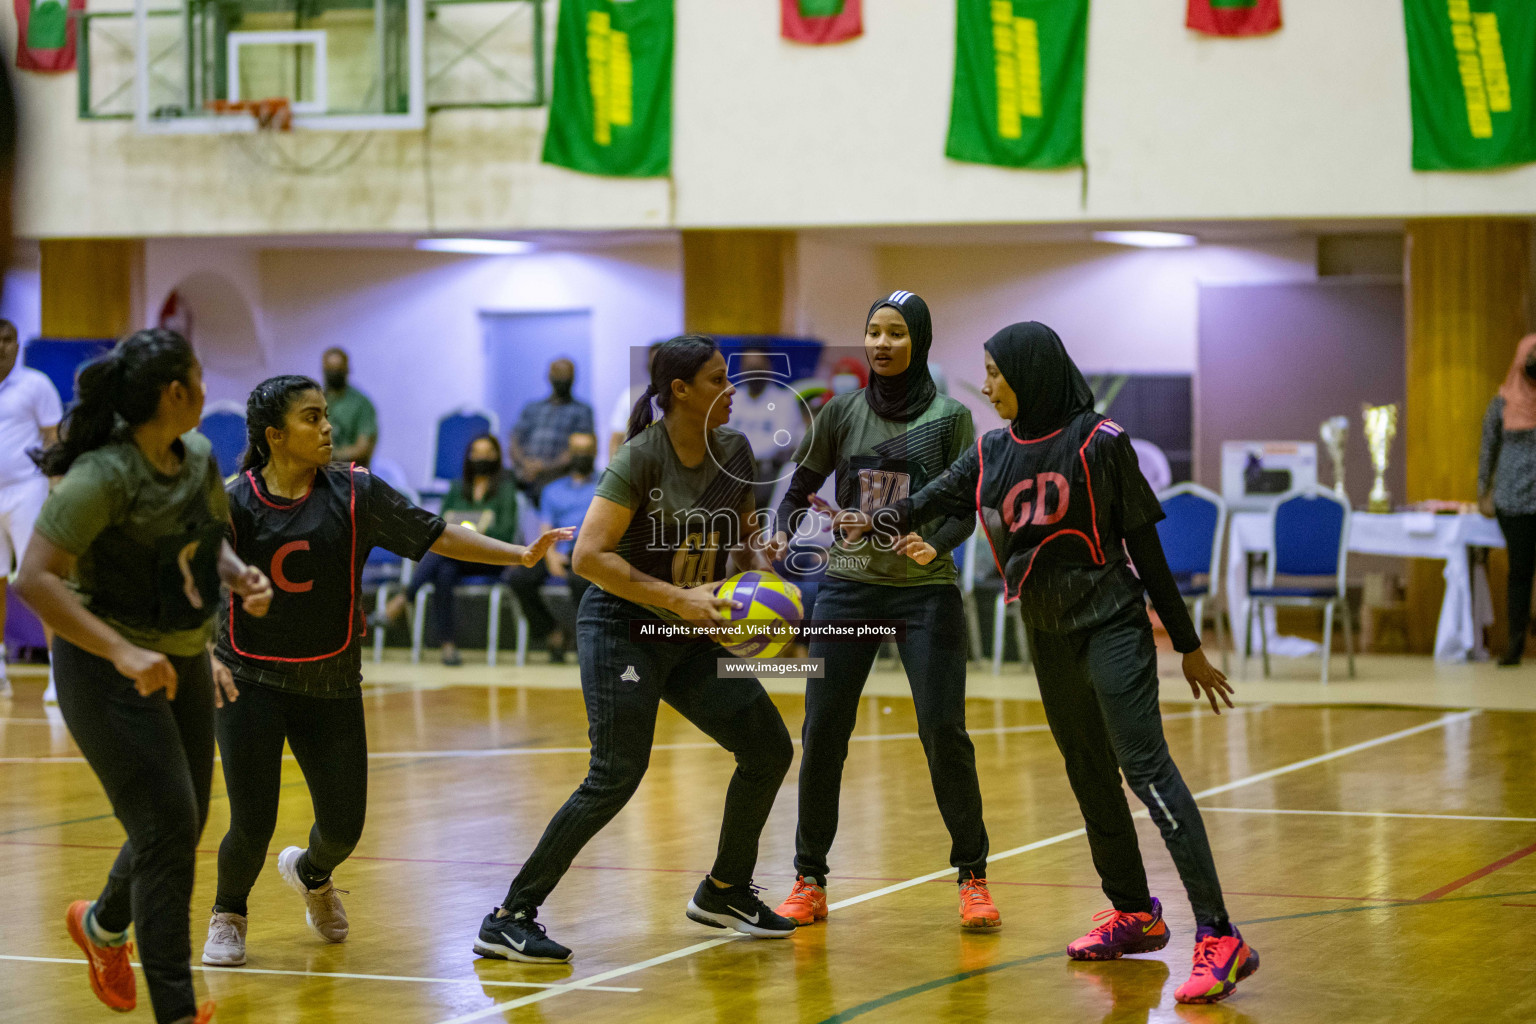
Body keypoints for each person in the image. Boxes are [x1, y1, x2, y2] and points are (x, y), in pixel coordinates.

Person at [844, 321, 1255, 1005]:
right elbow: (934, 496)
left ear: (1029, 375)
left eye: (996, 374)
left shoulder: (1102, 443)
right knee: (1087, 771)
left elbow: (1147, 556)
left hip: (1112, 624)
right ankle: (1134, 913)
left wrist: (1187, 646)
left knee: (1144, 770)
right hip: (1047, 630)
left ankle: (1219, 934)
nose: (986, 387)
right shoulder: (993, 449)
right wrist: (870, 519)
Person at [201, 376, 570, 969]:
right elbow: (195, 575)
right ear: (274, 436)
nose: (328, 427)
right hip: (250, 678)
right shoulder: (232, 500)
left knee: (344, 826)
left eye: (326, 415)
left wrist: (518, 554)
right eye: (311, 418)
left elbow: (436, 533)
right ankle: (229, 913)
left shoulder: (356, 492)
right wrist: (205, 651)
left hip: (330, 681)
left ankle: (312, 873)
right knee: (252, 822)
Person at [472, 335, 798, 964]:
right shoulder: (640, 459)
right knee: (616, 773)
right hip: (623, 625)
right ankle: (509, 916)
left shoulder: (732, 449)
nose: (730, 391)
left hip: (687, 629)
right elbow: (589, 557)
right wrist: (678, 600)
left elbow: (746, 541)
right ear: (679, 391)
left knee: (767, 748)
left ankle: (725, 889)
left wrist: (765, 571)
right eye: (715, 380)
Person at [14, 329, 273, 1024]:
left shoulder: (195, 456)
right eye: (198, 376)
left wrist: (237, 574)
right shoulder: (103, 476)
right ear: (174, 393)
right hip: (104, 669)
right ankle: (178, 1011)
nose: (207, 388)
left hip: (181, 656)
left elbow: (205, 539)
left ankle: (102, 927)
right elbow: (34, 580)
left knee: (179, 825)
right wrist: (123, 653)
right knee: (166, 830)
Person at [764, 290, 997, 931]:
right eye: (873, 333)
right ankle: (809, 878)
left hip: (925, 592)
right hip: (849, 589)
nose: (882, 344)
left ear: (917, 341)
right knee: (824, 733)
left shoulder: (950, 418)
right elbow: (801, 486)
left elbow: (964, 504)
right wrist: (783, 531)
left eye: (895, 333)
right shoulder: (840, 413)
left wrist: (937, 541)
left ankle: (972, 878)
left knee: (943, 733)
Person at [378, 433, 521, 666]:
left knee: (442, 558)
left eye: (488, 453)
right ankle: (448, 646)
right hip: (457, 558)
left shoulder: (506, 489)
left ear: (496, 456)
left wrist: (474, 537)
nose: (482, 458)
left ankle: (403, 599)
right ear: (469, 457)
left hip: (490, 558)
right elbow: (440, 525)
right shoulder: (457, 488)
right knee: (444, 570)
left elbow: (505, 533)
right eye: (477, 453)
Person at [0, 319, 63, 698]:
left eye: (7, 339)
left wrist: (55, 489)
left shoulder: (35, 384)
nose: (1, 346)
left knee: (39, 579)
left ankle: (59, 672)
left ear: (17, 344)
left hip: (27, 490)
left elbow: (53, 438)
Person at [505, 431, 599, 662]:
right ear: (568, 454)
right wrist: (551, 556)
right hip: (557, 552)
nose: (581, 456)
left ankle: (584, 642)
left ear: (595, 453)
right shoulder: (551, 490)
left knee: (581, 581)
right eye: (576, 451)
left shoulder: (605, 486)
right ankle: (552, 632)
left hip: (589, 554)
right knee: (519, 578)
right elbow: (545, 529)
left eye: (586, 451)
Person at [1480, 333, 1536, 667]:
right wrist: (1482, 491)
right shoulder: (1501, 403)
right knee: (1520, 570)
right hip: (1513, 500)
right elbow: (1488, 448)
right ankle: (1514, 643)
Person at [730, 347, 803, 509]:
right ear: (741, 368)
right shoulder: (732, 399)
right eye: (748, 367)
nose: (753, 373)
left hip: (768, 473)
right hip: (733, 473)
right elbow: (723, 434)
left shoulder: (785, 400)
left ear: (768, 367)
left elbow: (783, 440)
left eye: (757, 367)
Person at [511, 357, 594, 497]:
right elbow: (515, 440)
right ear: (549, 377)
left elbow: (579, 448)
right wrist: (526, 464)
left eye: (566, 375)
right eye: (558, 374)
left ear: (573, 378)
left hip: (558, 476)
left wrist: (544, 468)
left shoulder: (582, 411)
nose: (562, 379)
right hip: (525, 472)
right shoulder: (532, 407)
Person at [320, 347, 378, 467]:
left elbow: (362, 448)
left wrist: (331, 456)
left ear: (346, 369)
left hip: (350, 476)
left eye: (338, 369)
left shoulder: (361, 403)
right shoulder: (317, 400)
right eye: (330, 369)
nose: (334, 374)